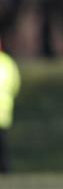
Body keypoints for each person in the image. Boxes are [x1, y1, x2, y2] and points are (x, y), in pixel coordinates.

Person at [0, 38, 21, 174]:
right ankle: (5, 171)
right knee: (2, 145)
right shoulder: (8, 62)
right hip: (4, 112)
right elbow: (15, 85)